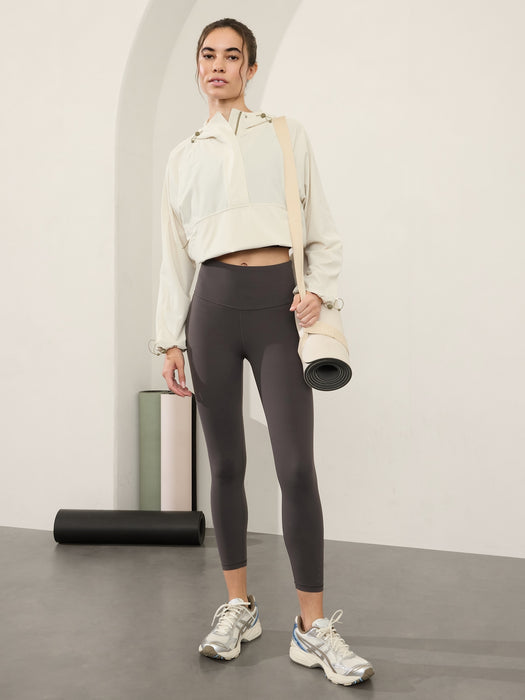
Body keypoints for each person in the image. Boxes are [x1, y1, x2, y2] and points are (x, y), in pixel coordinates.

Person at [153, 17, 375, 687]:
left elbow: (323, 231)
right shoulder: (183, 155)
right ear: (198, 68)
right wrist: (168, 338)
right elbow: (172, 257)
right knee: (226, 465)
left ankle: (312, 627)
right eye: (207, 55)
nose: (217, 66)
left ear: (250, 69)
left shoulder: (285, 134)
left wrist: (317, 293)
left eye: (232, 56)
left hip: (279, 309)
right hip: (212, 312)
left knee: (296, 466)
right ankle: (238, 608)